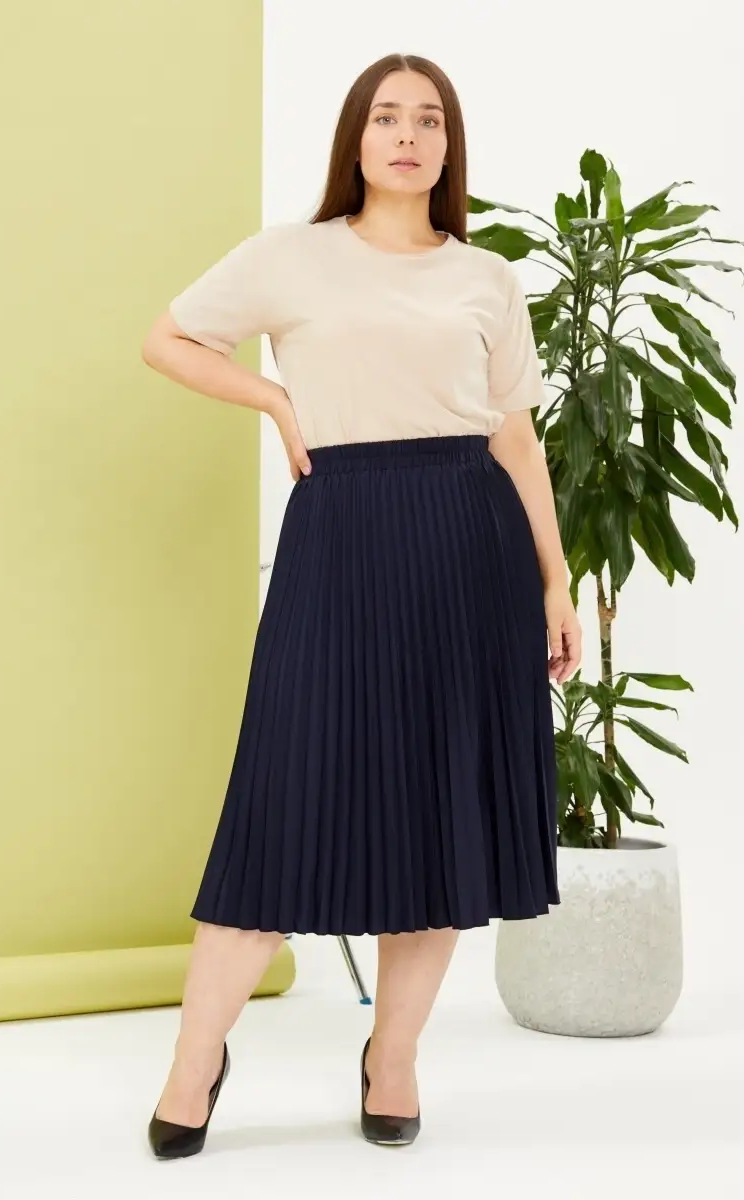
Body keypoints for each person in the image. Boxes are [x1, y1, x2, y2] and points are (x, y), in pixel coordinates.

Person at [140, 51, 582, 1158]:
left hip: (469, 546)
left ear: (448, 146)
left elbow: (515, 437)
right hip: (339, 539)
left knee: (438, 821)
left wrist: (556, 577)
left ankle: (395, 1058)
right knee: (280, 809)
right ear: (355, 137)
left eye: (429, 120)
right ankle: (195, 1064)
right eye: (387, 117)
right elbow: (168, 339)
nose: (408, 136)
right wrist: (273, 399)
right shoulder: (290, 256)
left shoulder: (486, 277)